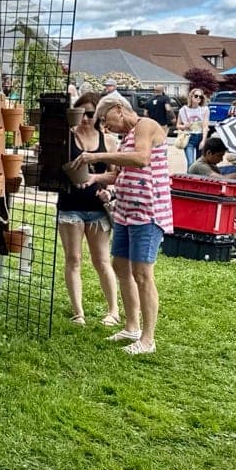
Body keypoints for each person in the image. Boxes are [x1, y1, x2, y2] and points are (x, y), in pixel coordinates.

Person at [81, 93, 172, 356]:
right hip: (125, 212)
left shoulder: (145, 126)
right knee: (121, 267)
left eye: (105, 120)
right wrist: (93, 178)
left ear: (119, 109)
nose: (105, 127)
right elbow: (117, 174)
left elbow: (142, 158)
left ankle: (148, 339)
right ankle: (131, 327)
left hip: (148, 212)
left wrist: (93, 155)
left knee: (143, 274)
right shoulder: (125, 140)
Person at [57, 91, 120, 327]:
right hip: (70, 204)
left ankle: (113, 311)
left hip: (96, 207)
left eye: (91, 114)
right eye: (81, 113)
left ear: (99, 116)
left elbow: (115, 173)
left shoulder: (109, 141)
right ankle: (78, 312)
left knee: (102, 260)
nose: (85, 119)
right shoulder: (67, 138)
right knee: (73, 258)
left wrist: (100, 183)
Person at [176, 89, 209, 169]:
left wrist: (203, 141)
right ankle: (189, 180)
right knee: (190, 163)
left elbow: (205, 127)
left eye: (200, 96)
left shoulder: (204, 109)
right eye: (196, 96)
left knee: (199, 163)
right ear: (191, 97)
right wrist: (184, 126)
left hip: (200, 136)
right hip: (188, 137)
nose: (198, 98)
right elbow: (178, 125)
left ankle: (197, 180)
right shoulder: (183, 110)